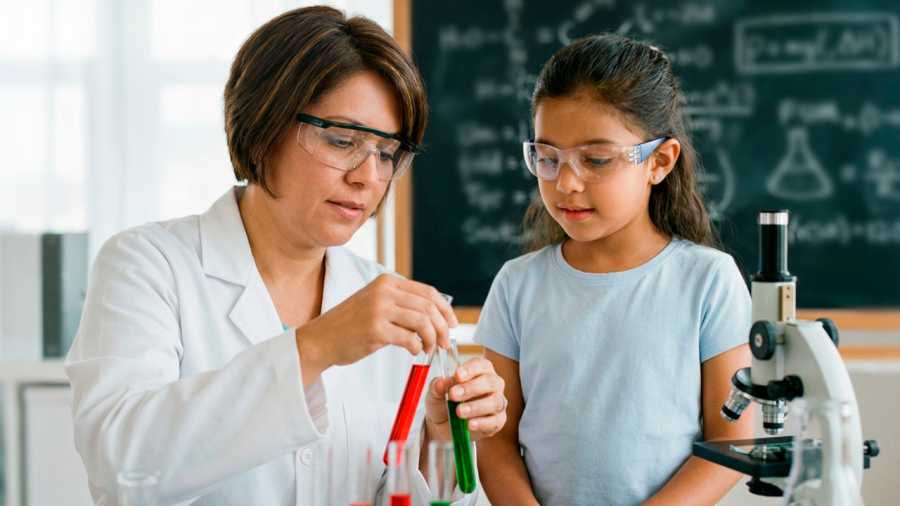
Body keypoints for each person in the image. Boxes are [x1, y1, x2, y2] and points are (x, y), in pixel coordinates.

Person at [65, 7, 506, 505]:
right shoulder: (147, 265)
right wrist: (314, 347)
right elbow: (121, 462)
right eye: (343, 140)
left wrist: (440, 440)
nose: (368, 176)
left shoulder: (383, 298)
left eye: (387, 154)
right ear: (264, 122)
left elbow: (395, 492)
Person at [474, 34, 753, 506]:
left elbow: (731, 440)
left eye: (596, 159)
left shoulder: (708, 280)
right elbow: (494, 439)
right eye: (547, 158)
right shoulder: (516, 286)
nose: (565, 182)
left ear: (659, 162)